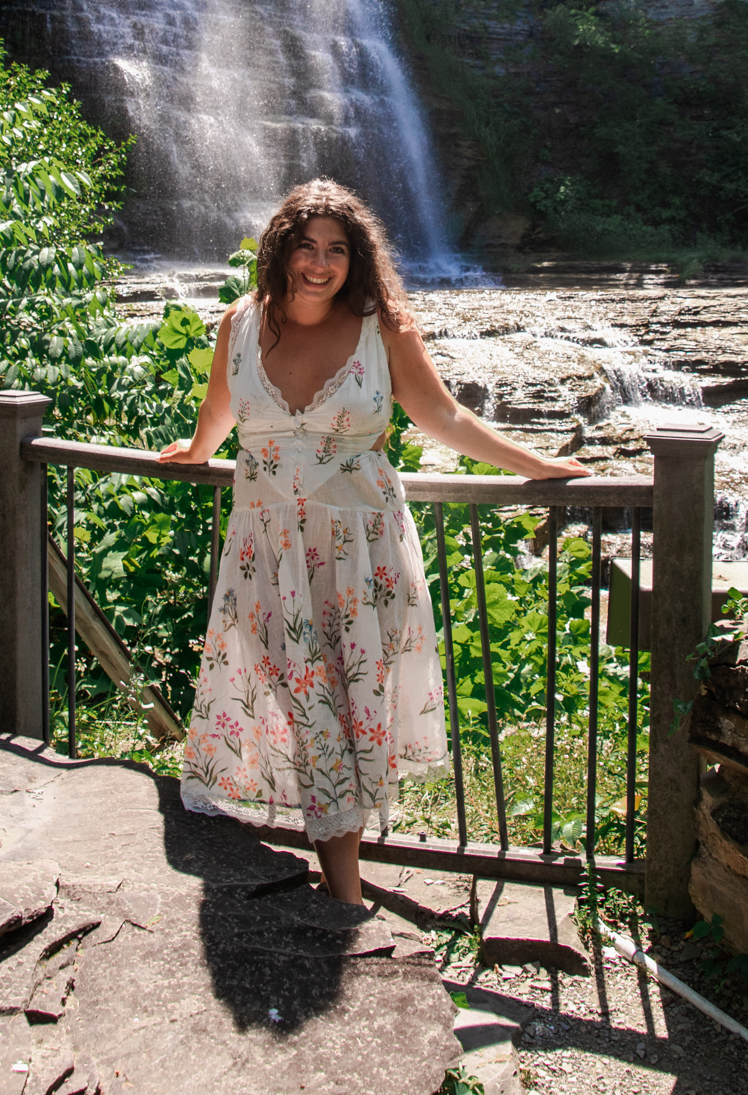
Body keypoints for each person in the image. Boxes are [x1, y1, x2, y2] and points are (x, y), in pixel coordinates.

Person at [160, 178, 589, 906]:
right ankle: (346, 894)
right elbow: (221, 413)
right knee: (307, 704)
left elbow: (444, 418)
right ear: (280, 250)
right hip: (267, 555)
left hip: (363, 555)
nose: (319, 264)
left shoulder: (381, 327)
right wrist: (197, 451)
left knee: (345, 707)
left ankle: (346, 895)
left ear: (357, 258)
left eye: (336, 249)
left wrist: (535, 464)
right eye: (306, 246)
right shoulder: (238, 324)